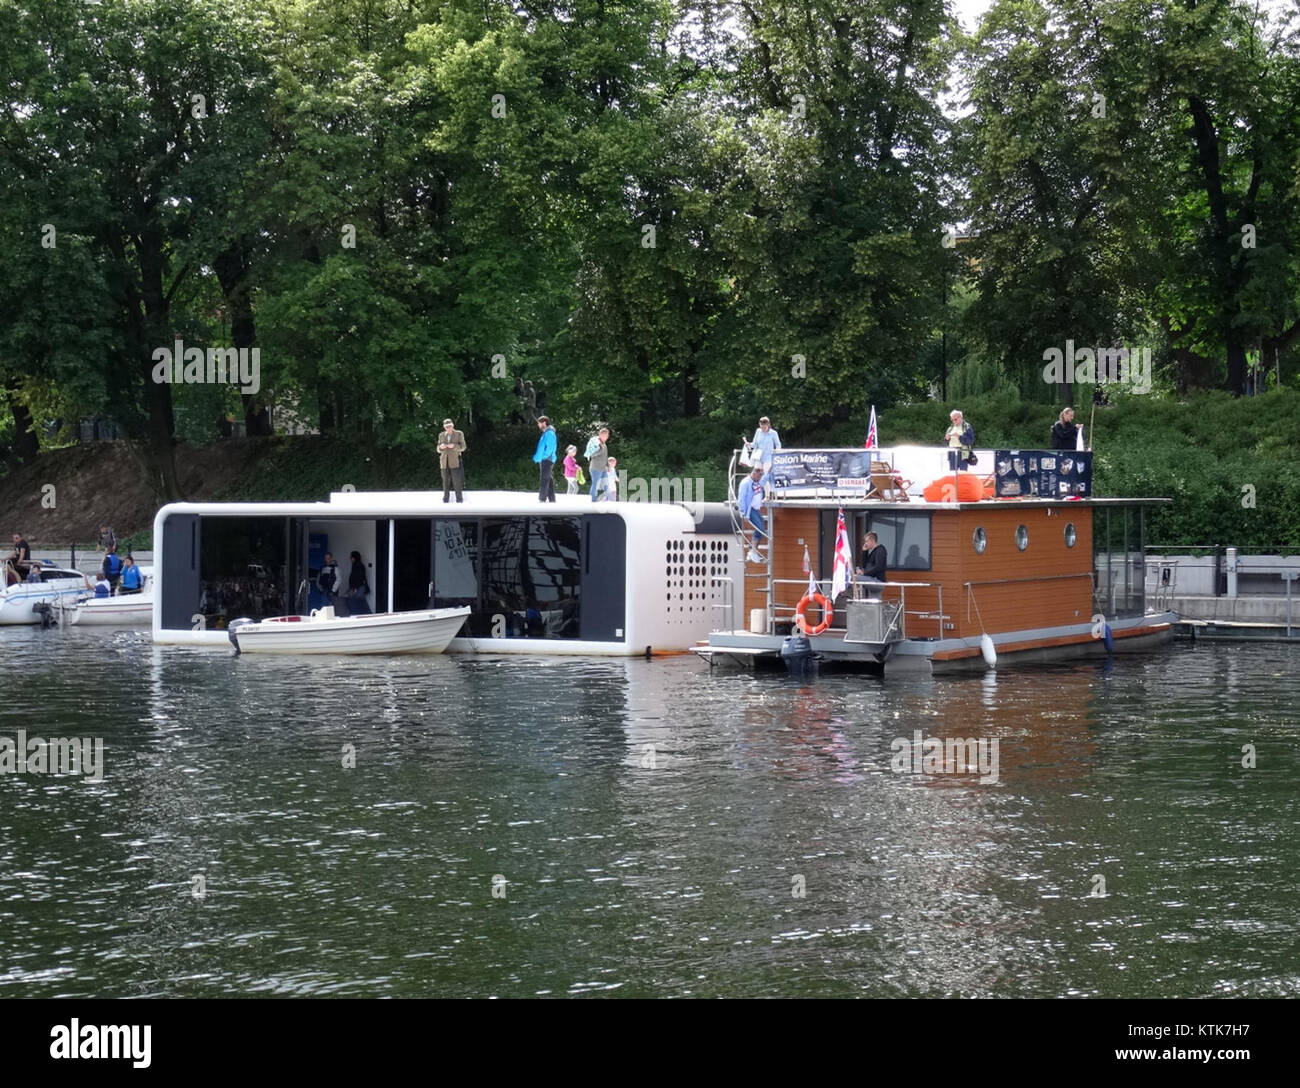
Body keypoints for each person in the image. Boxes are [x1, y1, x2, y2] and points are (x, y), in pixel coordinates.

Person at [737, 466, 767, 563]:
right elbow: (741, 498)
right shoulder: (746, 483)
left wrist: (768, 472)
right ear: (754, 474)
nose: (759, 479)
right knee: (760, 529)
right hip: (751, 510)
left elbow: (763, 481)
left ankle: (753, 551)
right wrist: (743, 513)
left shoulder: (756, 481)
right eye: (758, 476)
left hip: (756, 509)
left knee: (761, 528)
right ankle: (752, 551)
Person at [438, 418, 467, 503]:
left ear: (453, 425)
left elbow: (463, 447)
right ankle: (445, 500)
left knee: (457, 482)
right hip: (444, 462)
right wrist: (440, 447)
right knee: (445, 482)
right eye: (446, 427)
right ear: (444, 427)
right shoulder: (441, 435)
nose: (448, 428)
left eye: (450, 426)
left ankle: (459, 500)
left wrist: (454, 446)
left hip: (455, 461)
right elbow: (438, 448)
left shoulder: (459, 433)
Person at [746, 416, 781, 482]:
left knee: (766, 477)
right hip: (758, 457)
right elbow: (755, 444)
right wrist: (749, 444)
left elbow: (778, 445)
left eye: (764, 427)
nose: (762, 429)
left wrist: (776, 451)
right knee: (756, 476)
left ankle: (769, 492)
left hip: (768, 458)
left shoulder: (773, 433)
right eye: (761, 427)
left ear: (768, 425)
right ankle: (757, 491)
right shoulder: (758, 431)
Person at [856, 531, 888, 598]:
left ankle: (853, 596)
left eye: (866, 541)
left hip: (877, 580)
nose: (865, 544)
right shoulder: (873, 552)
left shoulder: (880, 550)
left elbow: (878, 567)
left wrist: (864, 573)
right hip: (873, 579)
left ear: (872, 541)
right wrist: (865, 552)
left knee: (854, 577)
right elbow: (865, 566)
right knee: (874, 603)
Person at [533, 415, 557, 503]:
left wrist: (544, 456)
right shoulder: (547, 432)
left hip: (547, 459)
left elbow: (550, 447)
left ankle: (542, 498)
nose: (538, 425)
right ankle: (552, 498)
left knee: (544, 479)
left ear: (544, 423)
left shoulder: (549, 433)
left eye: (539, 423)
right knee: (548, 479)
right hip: (546, 458)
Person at [586, 427, 611, 501]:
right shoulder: (596, 443)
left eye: (607, 435)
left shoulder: (604, 445)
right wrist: (600, 450)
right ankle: (593, 501)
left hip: (603, 468)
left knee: (606, 484)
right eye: (605, 435)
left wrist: (608, 465)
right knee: (595, 485)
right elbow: (592, 455)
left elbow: (605, 456)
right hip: (595, 468)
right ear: (600, 435)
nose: (607, 437)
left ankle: (608, 500)